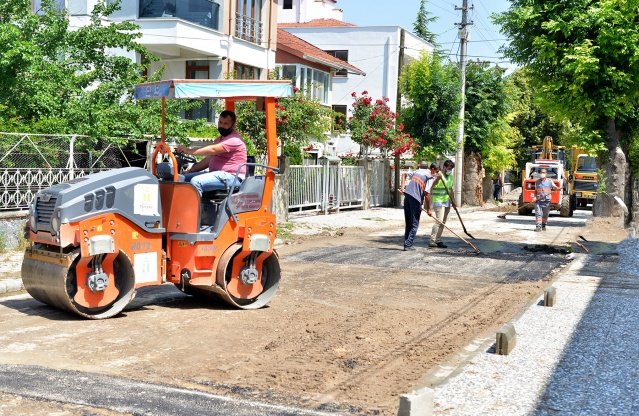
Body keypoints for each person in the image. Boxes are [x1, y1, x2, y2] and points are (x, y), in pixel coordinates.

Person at [175, 110, 247, 195]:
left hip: (232, 177)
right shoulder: (220, 139)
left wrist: (188, 151)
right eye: (220, 122)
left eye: (225, 124)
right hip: (218, 174)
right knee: (183, 178)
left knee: (196, 181)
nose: (221, 126)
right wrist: (190, 170)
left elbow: (212, 149)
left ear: (233, 125)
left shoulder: (234, 140)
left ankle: (194, 204)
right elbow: (208, 160)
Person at [402, 162, 437, 251]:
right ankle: (408, 244)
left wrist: (403, 188)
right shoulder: (430, 177)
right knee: (414, 224)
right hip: (415, 199)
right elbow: (427, 194)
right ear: (433, 169)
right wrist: (429, 209)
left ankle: (406, 244)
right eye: (436, 171)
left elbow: (404, 174)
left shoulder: (418, 172)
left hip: (407, 197)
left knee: (409, 223)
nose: (436, 174)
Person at [429, 159, 455, 248]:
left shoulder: (450, 177)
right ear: (444, 167)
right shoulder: (438, 174)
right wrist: (437, 179)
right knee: (439, 221)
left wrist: (453, 201)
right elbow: (432, 186)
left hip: (446, 201)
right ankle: (432, 240)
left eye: (451, 168)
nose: (450, 170)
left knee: (443, 222)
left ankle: (438, 240)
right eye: (449, 168)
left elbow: (451, 190)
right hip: (438, 201)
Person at [534, 167, 559, 231]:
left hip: (546, 201)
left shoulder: (550, 181)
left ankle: (543, 225)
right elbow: (535, 191)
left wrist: (557, 188)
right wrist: (534, 197)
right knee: (538, 214)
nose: (542, 174)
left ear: (546, 173)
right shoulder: (537, 182)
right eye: (541, 172)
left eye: (543, 172)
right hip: (538, 201)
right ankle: (538, 226)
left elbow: (555, 187)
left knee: (545, 215)